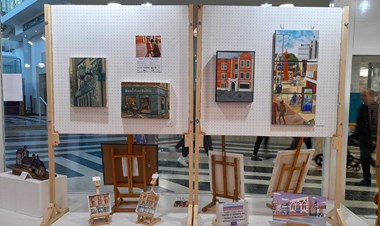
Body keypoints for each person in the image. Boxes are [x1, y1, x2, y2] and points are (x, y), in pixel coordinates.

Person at [354, 89, 378, 187]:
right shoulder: (362, 107)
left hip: (370, 138)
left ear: (371, 96)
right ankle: (366, 179)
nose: (362, 97)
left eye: (364, 95)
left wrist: (375, 139)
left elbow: (376, 125)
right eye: (362, 95)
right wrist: (356, 135)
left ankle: (367, 179)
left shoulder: (376, 108)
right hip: (362, 137)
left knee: (366, 158)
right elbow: (359, 123)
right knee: (365, 158)